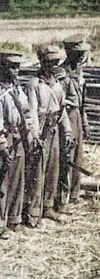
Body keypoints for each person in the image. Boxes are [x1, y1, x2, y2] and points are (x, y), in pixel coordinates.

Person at [0, 51, 36, 237]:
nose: (16, 71)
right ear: (2, 68)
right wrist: (1, 145)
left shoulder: (18, 89)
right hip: (5, 139)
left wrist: (29, 137)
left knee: (17, 179)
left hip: (18, 139)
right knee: (2, 183)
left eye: (18, 67)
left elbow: (27, 115)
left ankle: (14, 219)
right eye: (12, 67)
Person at [25, 45, 73, 226]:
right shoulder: (34, 84)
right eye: (50, 62)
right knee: (38, 172)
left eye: (56, 62)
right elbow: (32, 112)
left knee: (53, 169)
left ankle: (48, 207)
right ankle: (33, 213)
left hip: (54, 130)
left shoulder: (58, 85)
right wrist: (35, 136)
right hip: (42, 131)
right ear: (42, 63)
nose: (54, 66)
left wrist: (67, 131)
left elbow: (62, 111)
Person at [59, 34, 91, 208]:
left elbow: (83, 101)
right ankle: (62, 198)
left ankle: (74, 194)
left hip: (77, 116)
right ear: (69, 52)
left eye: (82, 53)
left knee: (78, 157)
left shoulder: (79, 72)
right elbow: (61, 103)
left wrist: (84, 123)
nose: (81, 56)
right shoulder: (62, 73)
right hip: (67, 117)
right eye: (77, 53)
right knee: (67, 157)